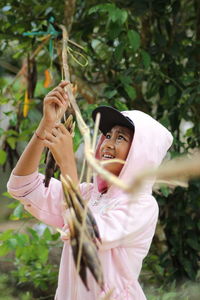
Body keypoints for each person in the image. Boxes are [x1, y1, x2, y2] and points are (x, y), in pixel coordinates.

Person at [7, 81, 173, 300]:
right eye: (108, 135)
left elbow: (87, 235)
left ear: (140, 154)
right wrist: (45, 126)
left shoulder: (142, 205)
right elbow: (22, 186)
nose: (107, 143)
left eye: (121, 137)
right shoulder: (87, 194)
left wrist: (67, 164)